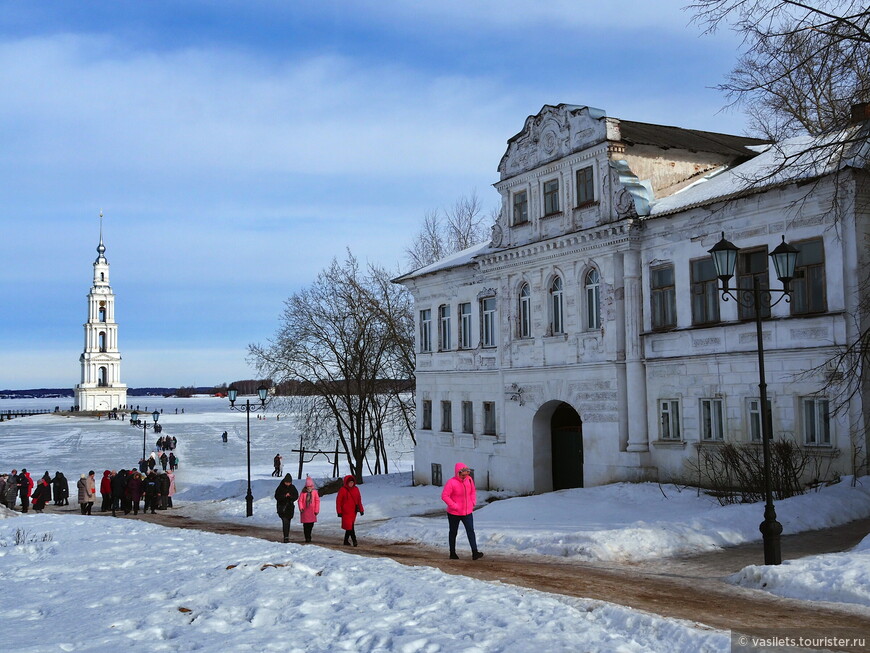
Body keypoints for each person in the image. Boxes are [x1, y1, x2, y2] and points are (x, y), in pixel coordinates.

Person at [441, 463, 484, 561]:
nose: (465, 476)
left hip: (467, 512)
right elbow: (444, 496)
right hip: (454, 513)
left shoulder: (469, 480)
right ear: (458, 473)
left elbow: (473, 491)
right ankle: (452, 553)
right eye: (463, 475)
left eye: (466, 474)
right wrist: (454, 506)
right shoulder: (451, 482)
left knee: (470, 531)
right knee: (453, 532)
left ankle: (475, 553)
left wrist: (473, 502)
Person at [336, 475, 364, 547]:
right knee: (350, 526)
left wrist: (361, 509)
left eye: (352, 482)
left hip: (353, 511)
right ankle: (354, 540)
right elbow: (338, 501)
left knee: (350, 526)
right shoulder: (342, 490)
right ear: (346, 482)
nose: (351, 484)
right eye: (350, 482)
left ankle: (346, 540)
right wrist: (339, 511)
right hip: (345, 511)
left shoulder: (356, 489)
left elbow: (359, 500)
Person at [274, 473, 299, 543]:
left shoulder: (292, 487)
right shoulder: (280, 487)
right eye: (286, 482)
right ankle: (286, 537)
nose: (288, 484)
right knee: (285, 521)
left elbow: (296, 496)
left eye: (289, 482)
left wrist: (290, 496)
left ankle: (286, 535)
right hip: (282, 507)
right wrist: (284, 496)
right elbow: (277, 496)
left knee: (288, 521)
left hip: (290, 508)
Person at [296, 476, 320, 543]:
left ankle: (309, 535)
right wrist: (301, 508)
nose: (309, 487)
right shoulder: (303, 492)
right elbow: (300, 501)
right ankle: (307, 537)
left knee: (311, 525)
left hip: (312, 511)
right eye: (308, 486)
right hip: (305, 511)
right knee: (306, 525)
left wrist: (316, 510)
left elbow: (317, 501)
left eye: (310, 486)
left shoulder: (314, 492)